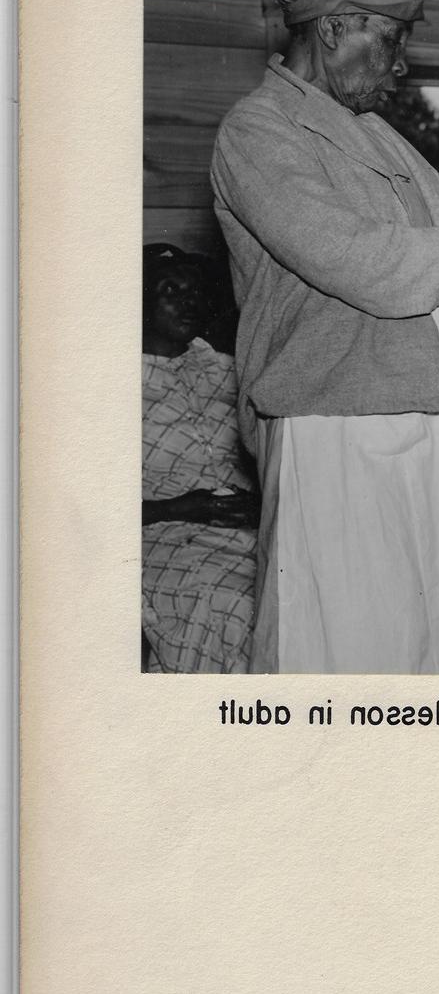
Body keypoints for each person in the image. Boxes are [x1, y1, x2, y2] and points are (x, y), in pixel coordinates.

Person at [210, 0, 439, 673]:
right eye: (395, 39)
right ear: (336, 26)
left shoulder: (381, 137)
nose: (402, 65)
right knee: (358, 635)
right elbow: (359, 260)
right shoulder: (257, 128)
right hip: (343, 416)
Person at [141, 245, 258, 673]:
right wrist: (182, 507)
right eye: (170, 289)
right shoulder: (106, 385)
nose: (189, 302)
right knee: (242, 609)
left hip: (249, 531)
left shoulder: (231, 371)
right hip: (163, 537)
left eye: (195, 292)